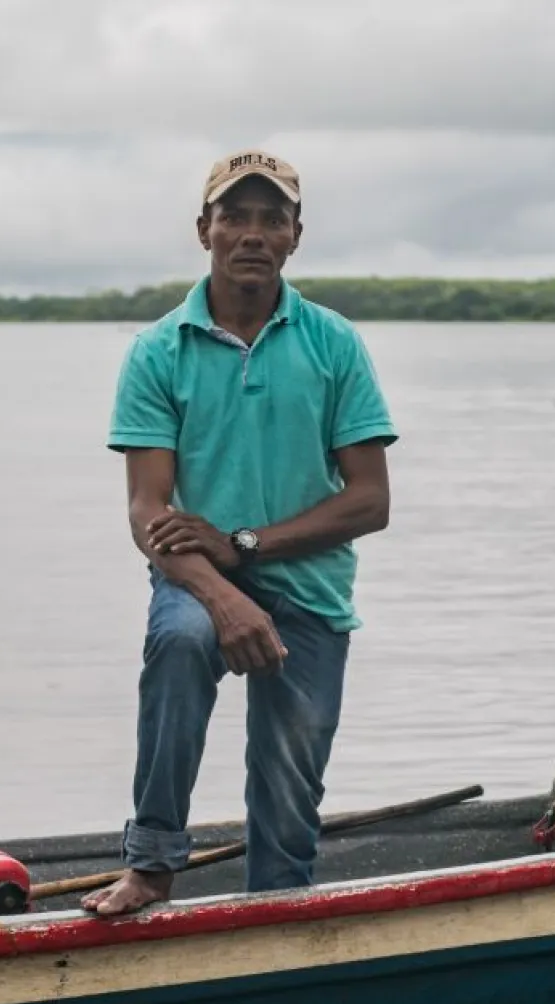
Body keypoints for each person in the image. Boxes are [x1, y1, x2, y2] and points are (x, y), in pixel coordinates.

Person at [84, 150, 398, 916]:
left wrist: (247, 545)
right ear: (205, 230)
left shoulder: (333, 344)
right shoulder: (159, 350)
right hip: (196, 575)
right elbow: (147, 512)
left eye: (272, 219)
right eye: (235, 216)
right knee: (183, 641)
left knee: (289, 787)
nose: (252, 234)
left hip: (308, 583)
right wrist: (225, 594)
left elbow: (369, 502)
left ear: (295, 236)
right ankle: (151, 865)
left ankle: (274, 915)